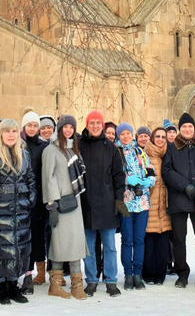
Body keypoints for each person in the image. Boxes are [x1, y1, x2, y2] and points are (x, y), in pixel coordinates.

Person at [0, 118, 36, 305]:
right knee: (0, 251)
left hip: (21, 211)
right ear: (0, 134)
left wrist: (30, 199)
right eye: (7, 131)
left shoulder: (24, 155)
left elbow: (30, 180)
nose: (11, 135)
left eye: (14, 131)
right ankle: (0, 288)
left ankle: (13, 286)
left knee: (18, 249)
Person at [161, 112, 195, 289]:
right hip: (179, 199)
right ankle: (182, 273)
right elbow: (167, 171)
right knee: (179, 239)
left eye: (190, 126)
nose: (187, 129)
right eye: (184, 127)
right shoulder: (172, 148)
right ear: (180, 130)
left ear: (194, 129)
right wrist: (184, 186)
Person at [78, 110, 125, 297]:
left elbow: (118, 177)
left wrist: (119, 204)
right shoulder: (79, 145)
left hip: (107, 203)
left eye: (99, 123)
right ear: (87, 125)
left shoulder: (111, 148)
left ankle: (111, 280)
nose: (95, 126)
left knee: (110, 246)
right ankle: (91, 279)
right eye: (92, 123)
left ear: (103, 125)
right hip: (86, 202)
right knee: (88, 246)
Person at [42, 115, 89, 300]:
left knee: (76, 242)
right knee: (59, 244)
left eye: (71, 127)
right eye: (65, 127)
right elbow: (49, 178)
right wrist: (52, 205)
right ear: (59, 129)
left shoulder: (72, 149)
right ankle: (55, 285)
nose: (68, 130)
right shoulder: (51, 150)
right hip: (60, 204)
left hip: (74, 203)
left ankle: (77, 285)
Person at [117, 122, 156, 290]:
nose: (126, 136)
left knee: (139, 239)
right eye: (122, 134)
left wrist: (149, 181)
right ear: (119, 136)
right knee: (127, 239)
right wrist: (127, 180)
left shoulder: (140, 151)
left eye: (128, 133)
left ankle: (137, 274)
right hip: (125, 203)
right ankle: (128, 274)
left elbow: (151, 172)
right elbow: (113, 175)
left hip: (142, 202)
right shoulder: (115, 152)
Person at [22, 112, 51, 291]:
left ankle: (40, 272)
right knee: (23, 236)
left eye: (35, 125)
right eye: (29, 125)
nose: (32, 128)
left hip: (39, 197)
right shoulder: (18, 144)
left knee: (38, 236)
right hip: (20, 197)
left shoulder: (43, 146)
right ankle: (25, 271)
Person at [142, 126, 172, 285]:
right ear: (152, 138)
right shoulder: (145, 155)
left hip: (164, 203)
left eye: (163, 137)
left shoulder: (168, 155)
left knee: (162, 241)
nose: (160, 139)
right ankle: (148, 273)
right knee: (149, 241)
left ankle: (160, 274)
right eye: (157, 136)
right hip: (150, 200)